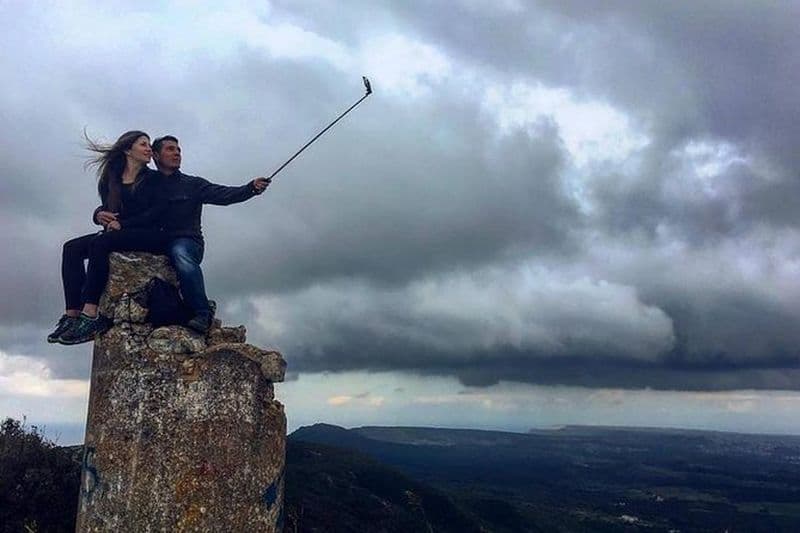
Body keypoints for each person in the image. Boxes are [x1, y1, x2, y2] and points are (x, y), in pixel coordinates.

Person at [48, 131, 169, 345]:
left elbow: (158, 212)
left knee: (101, 243)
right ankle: (72, 315)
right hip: (119, 233)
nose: (149, 149)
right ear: (127, 150)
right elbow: (107, 210)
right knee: (71, 248)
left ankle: (90, 313)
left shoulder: (155, 179)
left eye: (149, 145)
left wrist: (123, 224)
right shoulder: (110, 179)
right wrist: (98, 215)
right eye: (143, 144)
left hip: (151, 235)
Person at [150, 135, 270, 333]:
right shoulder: (146, 183)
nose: (177, 153)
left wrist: (251, 188)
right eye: (170, 149)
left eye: (178, 149)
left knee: (180, 253)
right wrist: (100, 214)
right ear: (155, 155)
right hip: (155, 239)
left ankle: (202, 313)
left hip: (187, 241)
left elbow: (224, 195)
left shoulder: (193, 184)